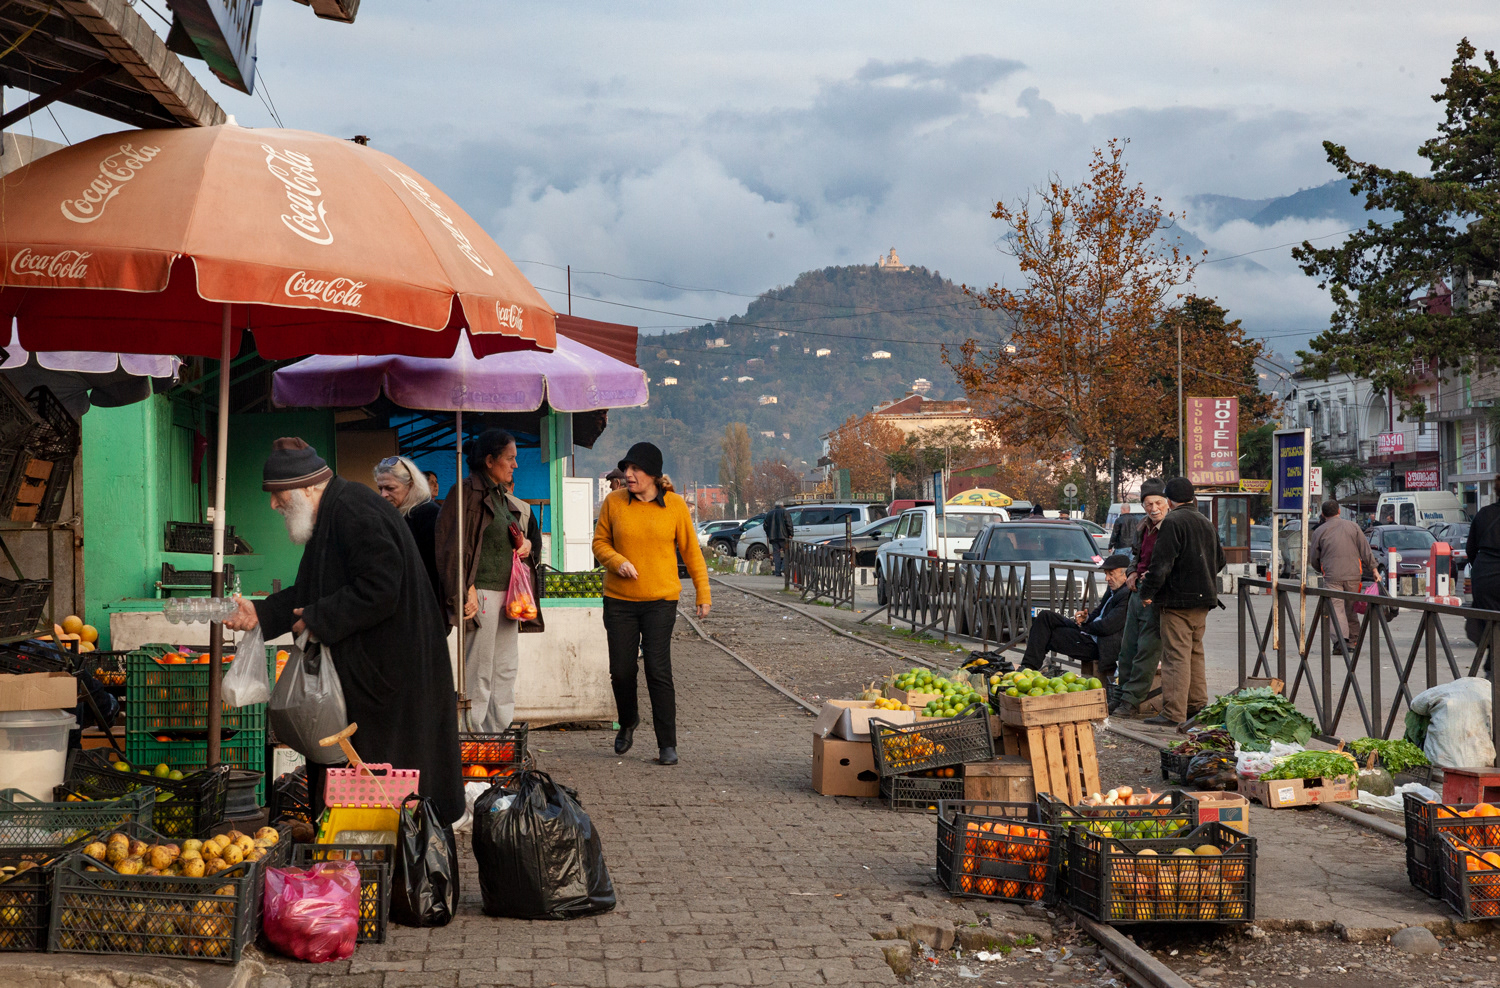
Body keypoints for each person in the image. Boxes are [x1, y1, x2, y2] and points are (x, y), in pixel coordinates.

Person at [224, 438, 463, 825]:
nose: (274, 504)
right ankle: (360, 868)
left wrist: (319, 618)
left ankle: (388, 875)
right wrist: (261, 613)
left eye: (278, 494)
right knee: (364, 791)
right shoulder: (334, 511)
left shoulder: (352, 509)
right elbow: (315, 590)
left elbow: (382, 586)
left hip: (392, 679)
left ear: (306, 487)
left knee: (387, 790)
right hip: (377, 674)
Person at [592, 441, 711, 766]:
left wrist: (703, 591)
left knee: (658, 670)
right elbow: (599, 542)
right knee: (622, 671)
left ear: (653, 475)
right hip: (619, 601)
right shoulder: (614, 503)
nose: (628, 475)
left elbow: (691, 551)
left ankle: (666, 744)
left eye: (635, 469)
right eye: (626, 469)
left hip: (661, 600)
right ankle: (628, 721)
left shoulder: (674, 506)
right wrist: (617, 562)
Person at [434, 429, 544, 733]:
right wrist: (463, 587)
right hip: (479, 593)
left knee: (505, 668)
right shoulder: (465, 493)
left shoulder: (500, 496)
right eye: (510, 458)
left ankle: (499, 734)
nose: (515, 465)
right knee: (478, 671)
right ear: (490, 460)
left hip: (509, 598)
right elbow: (449, 544)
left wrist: (527, 546)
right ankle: (473, 735)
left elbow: (517, 537)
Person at [1137, 477, 1226, 728]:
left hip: (1177, 601)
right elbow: (1220, 561)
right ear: (1192, 498)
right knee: (1195, 654)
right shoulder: (1205, 521)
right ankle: (1197, 707)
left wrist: (1147, 592)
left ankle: (1173, 712)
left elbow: (1161, 564)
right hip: (1204, 600)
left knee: (1175, 656)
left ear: (1169, 500)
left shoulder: (1173, 521)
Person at [1017, 553, 1133, 683]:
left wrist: (1084, 626)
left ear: (1125, 574)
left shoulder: (1127, 595)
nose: (1107, 578)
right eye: (1106, 574)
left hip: (1099, 645)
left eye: (1111, 574)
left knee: (1045, 635)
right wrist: (1086, 618)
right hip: (1088, 632)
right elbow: (1097, 613)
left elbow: (1107, 626)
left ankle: (1028, 669)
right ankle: (1028, 667)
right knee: (1045, 616)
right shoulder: (1113, 590)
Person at [1112, 480, 1169, 717]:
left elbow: (1168, 564)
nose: (1153, 508)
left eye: (1157, 503)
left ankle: (1132, 701)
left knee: (1147, 650)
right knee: (1127, 649)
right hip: (1138, 592)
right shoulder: (1142, 526)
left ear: (1167, 503)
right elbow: (1136, 555)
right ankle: (1121, 693)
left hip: (1156, 596)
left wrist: (1150, 584)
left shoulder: (1171, 528)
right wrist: (1132, 572)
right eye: (1148, 504)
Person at [374, 455, 443, 610]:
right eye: (380, 488)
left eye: (390, 488)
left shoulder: (428, 514)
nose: (383, 494)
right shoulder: (392, 515)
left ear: (411, 485)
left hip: (423, 608)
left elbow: (435, 569)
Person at [1308, 498, 1377, 648]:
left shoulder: (1319, 531)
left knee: (1336, 608)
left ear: (1323, 514)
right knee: (1351, 607)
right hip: (1353, 574)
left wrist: (1320, 568)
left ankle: (1341, 640)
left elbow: (1314, 557)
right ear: (1339, 511)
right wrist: (1374, 569)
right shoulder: (1353, 526)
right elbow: (1366, 550)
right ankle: (1353, 641)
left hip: (1332, 576)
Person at [1466, 486, 1500, 666]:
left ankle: (1492, 668)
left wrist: (1480, 569)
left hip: (1484, 578)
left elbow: (1470, 549)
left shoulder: (1484, 514)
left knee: (1491, 624)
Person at [764, 500, 793, 577]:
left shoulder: (769, 513)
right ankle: (783, 567)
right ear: (782, 505)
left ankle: (777, 572)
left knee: (776, 554)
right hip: (784, 537)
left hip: (773, 538)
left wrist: (769, 534)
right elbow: (789, 523)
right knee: (787, 552)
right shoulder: (785, 512)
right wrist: (791, 534)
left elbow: (765, 526)